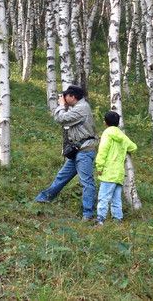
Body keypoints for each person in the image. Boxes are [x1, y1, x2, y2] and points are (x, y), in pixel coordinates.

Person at [35, 85, 98, 221]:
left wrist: (61, 106)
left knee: (86, 182)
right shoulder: (79, 106)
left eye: (65, 96)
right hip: (78, 150)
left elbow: (60, 119)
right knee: (62, 176)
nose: (63, 98)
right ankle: (43, 198)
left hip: (84, 151)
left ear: (72, 97)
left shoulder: (81, 109)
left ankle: (88, 214)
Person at [94, 111, 137, 226]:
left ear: (105, 122)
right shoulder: (122, 135)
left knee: (103, 197)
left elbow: (103, 150)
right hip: (119, 173)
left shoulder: (107, 133)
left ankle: (100, 220)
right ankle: (117, 219)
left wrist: (99, 166)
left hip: (108, 171)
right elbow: (133, 147)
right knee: (116, 198)